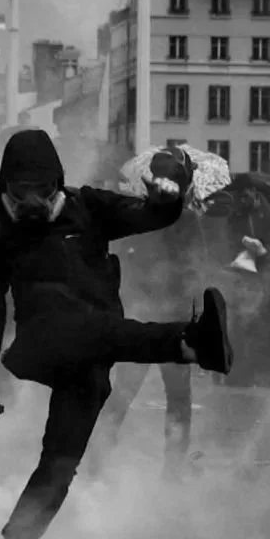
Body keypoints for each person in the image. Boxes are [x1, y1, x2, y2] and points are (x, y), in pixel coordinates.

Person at [0, 130, 234, 539]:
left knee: (61, 463)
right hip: (44, 341)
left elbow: (150, 216)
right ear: (5, 185)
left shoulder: (87, 208)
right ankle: (191, 344)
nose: (31, 201)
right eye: (20, 190)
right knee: (93, 328)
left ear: (57, 183)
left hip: (92, 356)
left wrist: (167, 192)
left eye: (40, 190)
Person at [88, 201, 209, 482]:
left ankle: (96, 458)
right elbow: (196, 265)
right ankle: (174, 467)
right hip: (172, 317)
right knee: (178, 397)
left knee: (123, 390)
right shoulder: (186, 216)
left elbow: (119, 258)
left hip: (139, 313)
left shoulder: (135, 211)